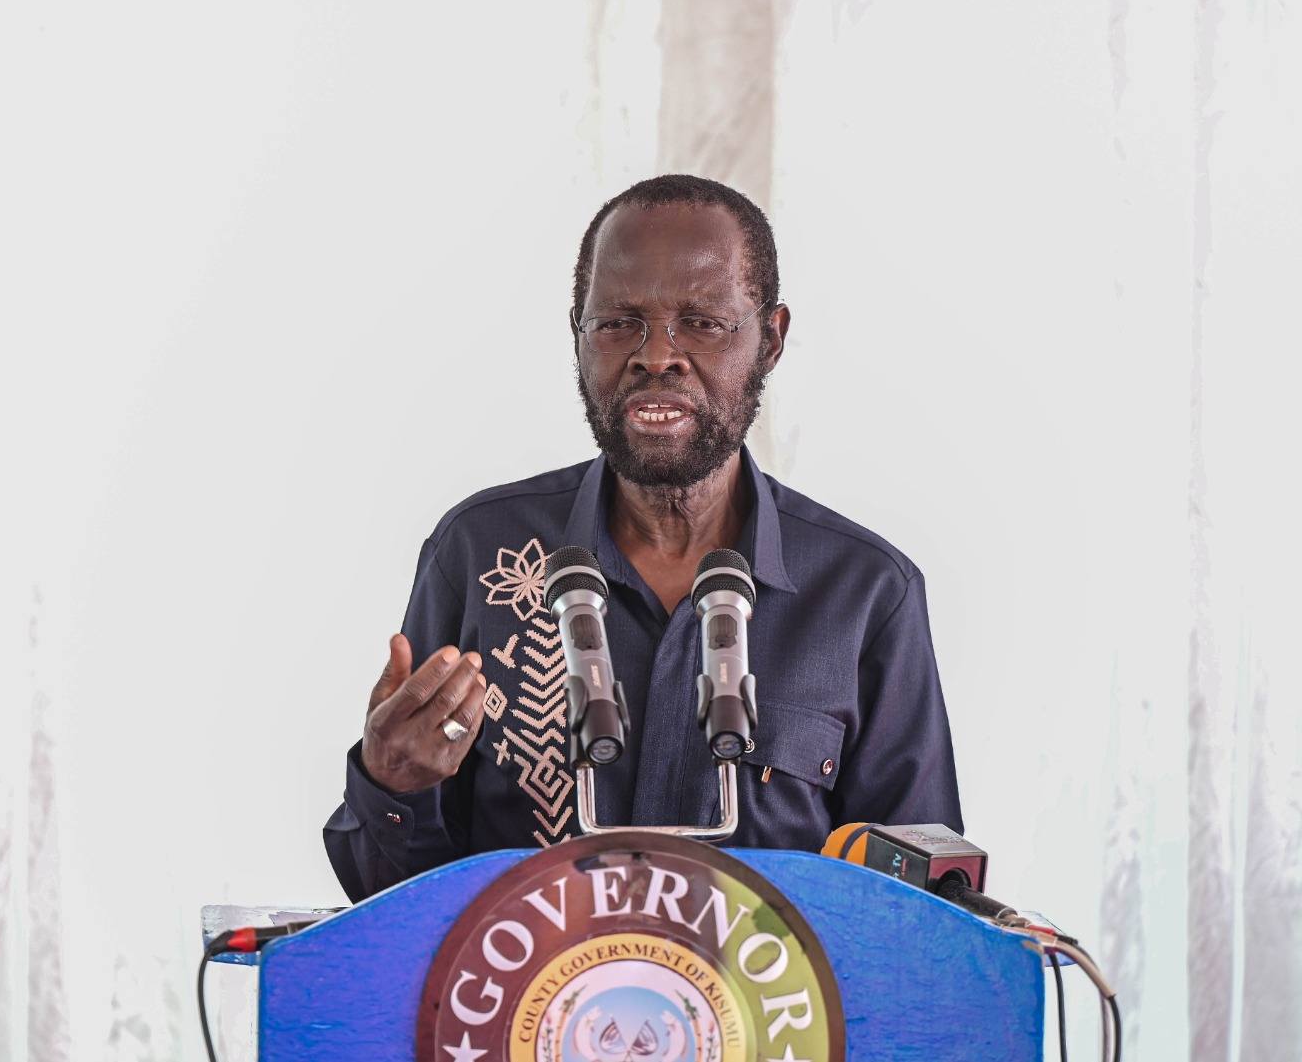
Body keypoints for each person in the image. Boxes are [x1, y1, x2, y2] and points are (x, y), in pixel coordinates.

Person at [323, 174, 962, 902]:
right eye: (619, 322)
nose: (657, 355)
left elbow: (922, 920)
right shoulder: (477, 555)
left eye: (702, 322)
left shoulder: (865, 594)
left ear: (771, 339)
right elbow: (392, 914)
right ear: (578, 335)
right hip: (519, 1013)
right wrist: (390, 784)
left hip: (768, 1014)